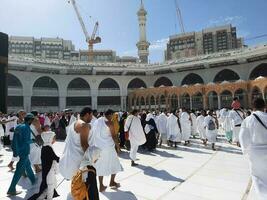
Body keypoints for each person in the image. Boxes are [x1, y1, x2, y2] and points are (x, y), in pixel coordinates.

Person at [240, 98, 267, 200]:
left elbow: (243, 137)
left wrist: (246, 150)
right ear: (264, 107)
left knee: (258, 177)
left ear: (253, 107)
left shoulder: (248, 120)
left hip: (256, 153)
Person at [7, 113, 37, 196]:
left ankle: (33, 180)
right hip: (24, 151)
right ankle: (11, 189)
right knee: (18, 171)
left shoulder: (19, 126)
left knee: (27, 165)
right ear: (30, 120)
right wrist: (33, 140)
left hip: (20, 150)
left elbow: (15, 140)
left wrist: (15, 151)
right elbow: (26, 141)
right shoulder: (26, 128)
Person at [59, 107, 93, 180]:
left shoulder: (73, 124)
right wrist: (91, 158)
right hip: (79, 161)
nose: (92, 118)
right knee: (84, 185)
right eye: (91, 116)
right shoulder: (84, 125)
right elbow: (84, 144)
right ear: (87, 114)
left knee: (76, 184)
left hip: (70, 160)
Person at [94, 109, 123, 192]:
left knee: (101, 166)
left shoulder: (98, 121)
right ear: (110, 115)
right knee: (115, 164)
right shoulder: (109, 123)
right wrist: (118, 147)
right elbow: (114, 136)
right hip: (108, 148)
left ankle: (101, 185)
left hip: (99, 148)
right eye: (113, 115)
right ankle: (112, 182)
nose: (113, 117)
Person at [28, 131, 60, 200]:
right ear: (49, 138)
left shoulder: (45, 147)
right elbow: (55, 158)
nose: (54, 139)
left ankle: (44, 197)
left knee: (48, 187)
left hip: (47, 170)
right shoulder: (48, 148)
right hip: (49, 171)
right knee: (50, 186)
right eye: (53, 138)